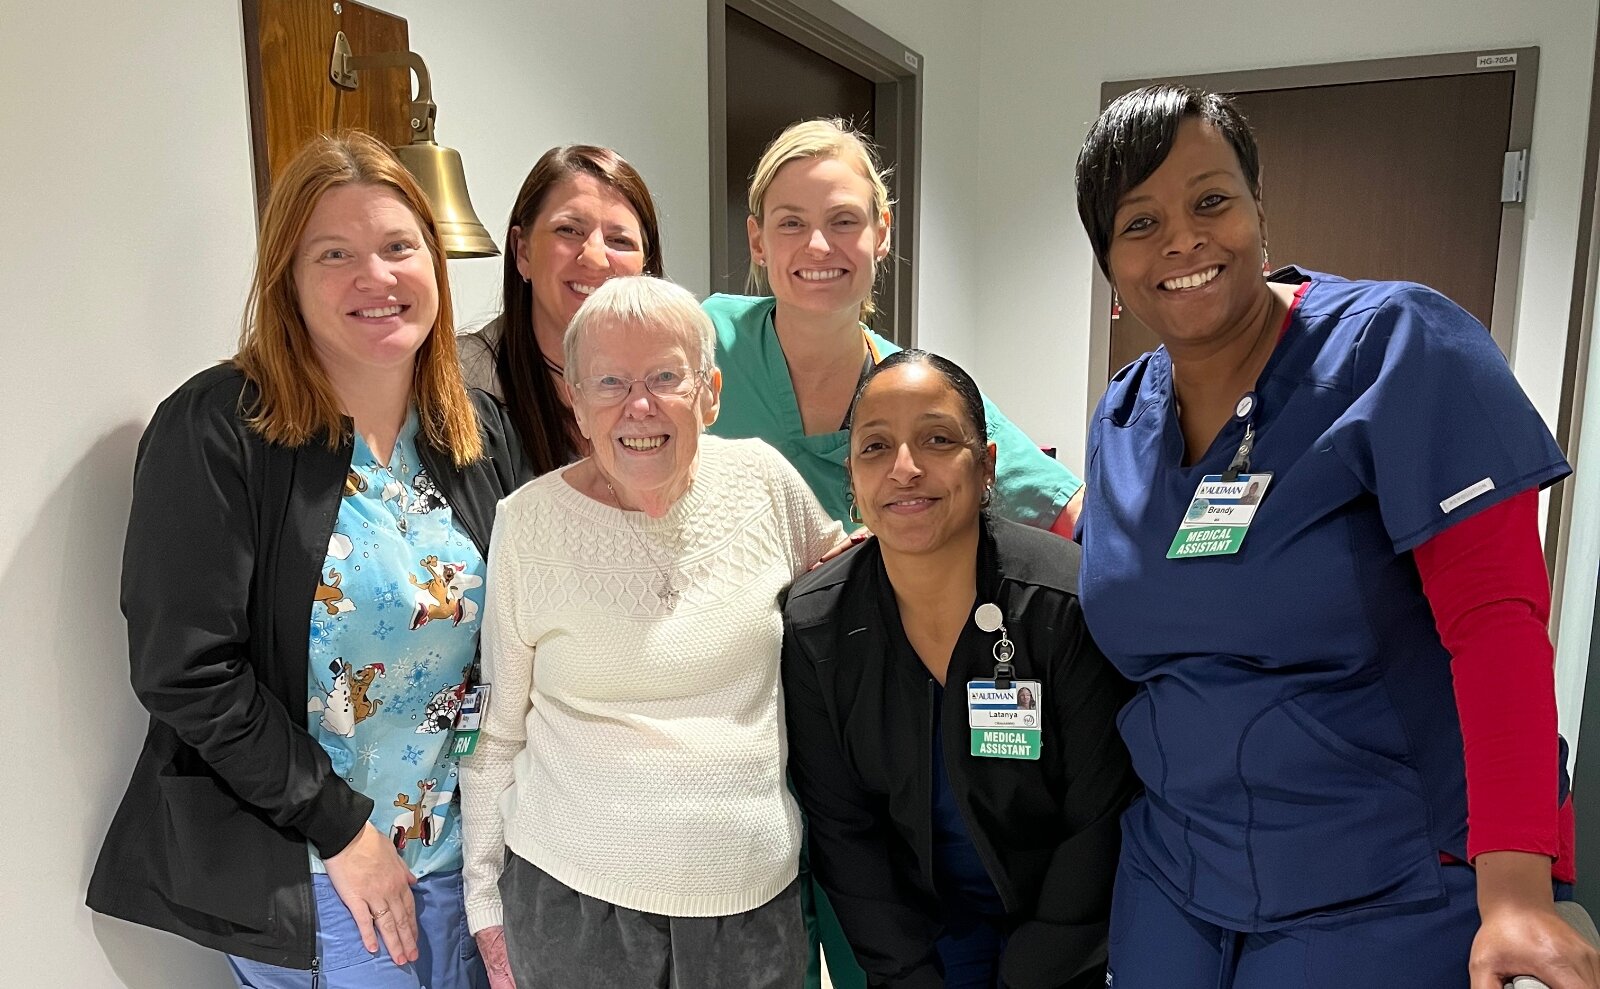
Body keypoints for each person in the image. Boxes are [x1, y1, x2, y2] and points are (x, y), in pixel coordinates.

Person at [1073, 84, 1599, 989]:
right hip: (1173, 872)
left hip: (1379, 874)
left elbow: (1498, 621)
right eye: (1139, 221)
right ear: (1110, 265)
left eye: (1211, 201)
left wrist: (1515, 891)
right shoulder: (1122, 418)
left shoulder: (1400, 347)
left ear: (1259, 210)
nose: (1182, 240)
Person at [86, 131, 531, 988]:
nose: (377, 277)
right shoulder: (219, 429)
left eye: (400, 247)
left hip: (470, 862)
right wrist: (343, 832)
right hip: (324, 870)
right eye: (336, 253)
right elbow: (187, 672)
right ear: (286, 278)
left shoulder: (474, 430)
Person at [705, 117, 1086, 989]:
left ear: (882, 235)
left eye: (844, 220)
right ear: (756, 241)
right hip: (727, 725)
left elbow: (1069, 510)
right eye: (790, 222)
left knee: (871, 939)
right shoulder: (706, 345)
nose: (818, 245)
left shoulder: (910, 393)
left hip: (850, 730)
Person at [459, 276, 847, 989]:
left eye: (666, 376)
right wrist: (484, 898)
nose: (639, 405)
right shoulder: (528, 522)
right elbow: (497, 735)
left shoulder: (764, 481)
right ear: (574, 402)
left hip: (751, 900)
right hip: (573, 908)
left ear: (710, 391)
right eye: (609, 381)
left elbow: (846, 586)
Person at [783, 350, 1138, 989]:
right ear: (852, 480)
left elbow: (1099, 822)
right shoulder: (818, 628)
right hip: (922, 946)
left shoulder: (1065, 604)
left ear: (987, 467)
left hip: (1068, 945)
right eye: (875, 447)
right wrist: (909, 977)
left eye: (938, 440)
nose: (905, 468)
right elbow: (845, 833)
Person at [458, 144, 663, 474]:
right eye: (569, 230)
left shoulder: (670, 385)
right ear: (522, 251)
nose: (594, 257)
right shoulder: (462, 381)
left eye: (620, 241)